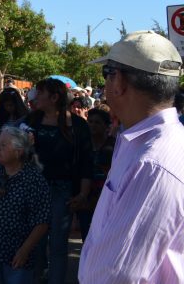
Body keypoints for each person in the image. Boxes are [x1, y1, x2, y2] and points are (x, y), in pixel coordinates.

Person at [79, 31, 184, 283]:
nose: (105, 86)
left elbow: (118, 273)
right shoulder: (146, 145)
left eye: (107, 74)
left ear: (119, 81)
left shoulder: (152, 164)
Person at [23, 78, 92, 284]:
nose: (35, 96)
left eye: (40, 92)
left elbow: (86, 161)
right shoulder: (32, 120)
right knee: (34, 243)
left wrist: (83, 193)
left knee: (58, 247)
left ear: (54, 97)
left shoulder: (78, 125)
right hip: (33, 190)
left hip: (62, 191)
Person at [0, 126, 50, 284]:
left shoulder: (34, 180)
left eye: (3, 145)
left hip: (17, 253)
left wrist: (24, 251)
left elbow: (42, 221)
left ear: (18, 151)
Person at [76, 107, 115, 241]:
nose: (92, 125)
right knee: (86, 239)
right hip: (84, 199)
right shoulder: (82, 145)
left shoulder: (114, 146)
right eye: (90, 121)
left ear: (106, 126)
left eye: (97, 122)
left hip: (107, 199)